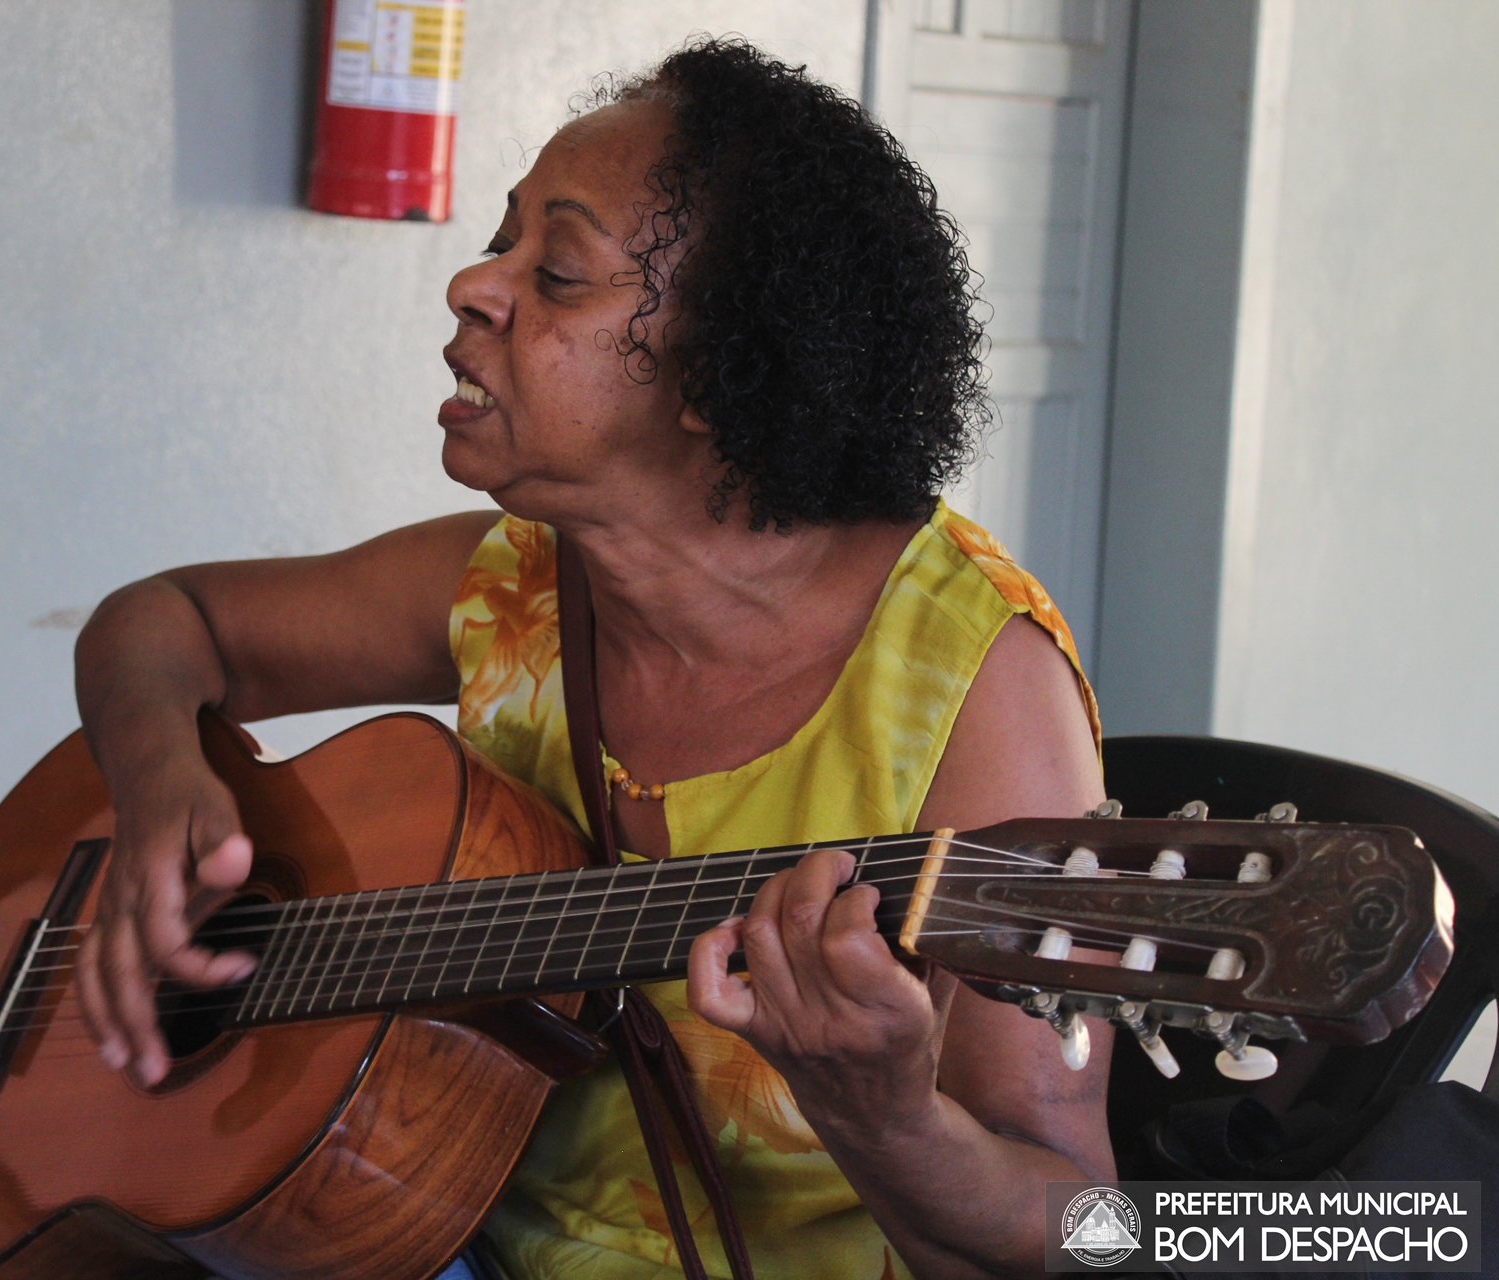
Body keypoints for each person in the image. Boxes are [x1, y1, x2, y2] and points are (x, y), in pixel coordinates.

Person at [73, 38, 1113, 1280]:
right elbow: (161, 621)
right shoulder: (513, 583)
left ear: (723, 369)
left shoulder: (980, 683)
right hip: (432, 1236)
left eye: (555, 273)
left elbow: (1088, 1233)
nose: (473, 284)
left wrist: (888, 1122)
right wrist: (158, 791)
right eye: (500, 240)